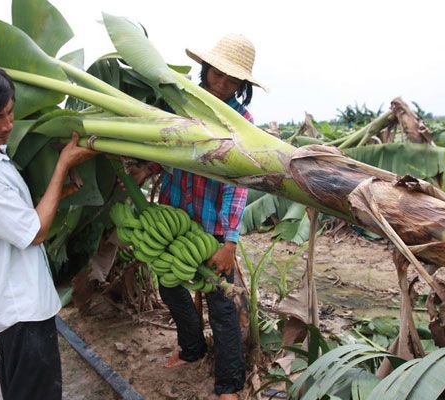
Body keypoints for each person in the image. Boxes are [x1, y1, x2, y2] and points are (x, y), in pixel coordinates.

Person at [0, 58, 98, 400]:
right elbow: (34, 232)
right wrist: (62, 168)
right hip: (20, 310)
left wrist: (52, 193)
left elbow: (12, 213)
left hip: (14, 302)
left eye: (10, 111)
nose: (8, 124)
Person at [131, 34, 266, 400]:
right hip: (175, 216)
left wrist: (229, 242)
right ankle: (192, 349)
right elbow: (170, 147)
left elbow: (239, 184)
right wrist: (147, 168)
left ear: (242, 85)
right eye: (217, 75)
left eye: (232, 81)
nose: (221, 85)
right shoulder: (182, 105)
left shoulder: (243, 121)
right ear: (205, 68)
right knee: (170, 286)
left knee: (223, 304)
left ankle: (229, 384)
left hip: (213, 225)